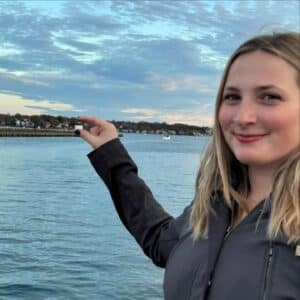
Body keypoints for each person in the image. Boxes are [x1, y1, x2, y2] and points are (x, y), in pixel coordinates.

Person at [75, 32, 300, 300]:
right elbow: (161, 241)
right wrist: (111, 154)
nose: (242, 116)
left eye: (269, 97)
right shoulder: (214, 207)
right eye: (232, 97)